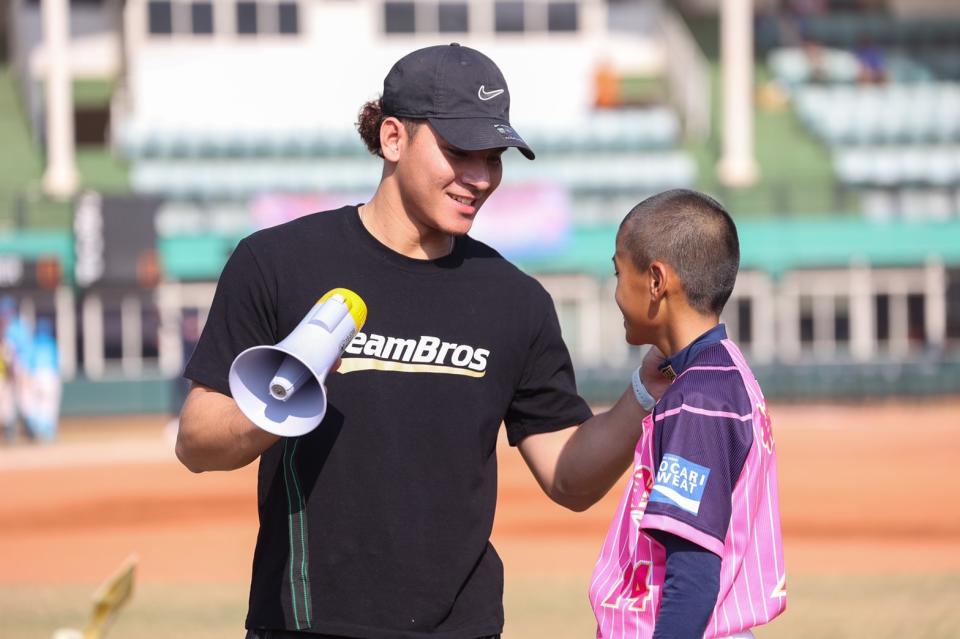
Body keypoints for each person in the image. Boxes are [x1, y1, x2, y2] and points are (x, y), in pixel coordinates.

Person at [176, 43, 668, 639]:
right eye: (460, 152)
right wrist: (282, 404)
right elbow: (197, 440)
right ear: (392, 138)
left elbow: (570, 480)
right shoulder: (277, 263)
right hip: (303, 627)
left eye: (494, 157)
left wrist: (644, 390)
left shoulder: (515, 301)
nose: (481, 178)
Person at [589, 190, 787, 638]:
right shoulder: (718, 373)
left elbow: (694, 576)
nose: (616, 292)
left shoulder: (700, 397)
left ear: (656, 281)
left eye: (619, 273)